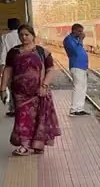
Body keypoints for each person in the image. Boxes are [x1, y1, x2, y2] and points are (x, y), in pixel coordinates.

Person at [3, 24, 59, 155]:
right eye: (21, 35)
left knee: (38, 118)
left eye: (26, 34)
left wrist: (44, 85)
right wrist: (2, 88)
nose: (24, 37)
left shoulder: (42, 52)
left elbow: (50, 70)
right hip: (19, 93)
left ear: (33, 35)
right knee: (22, 118)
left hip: (38, 92)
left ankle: (37, 144)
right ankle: (25, 145)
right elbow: (8, 70)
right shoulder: (13, 52)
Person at [64, 23, 89, 116]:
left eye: (81, 31)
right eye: (79, 31)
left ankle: (79, 108)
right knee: (78, 87)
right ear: (73, 30)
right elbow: (76, 51)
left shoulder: (76, 39)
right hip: (76, 66)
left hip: (82, 66)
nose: (81, 33)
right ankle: (74, 109)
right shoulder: (68, 40)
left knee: (82, 88)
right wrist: (81, 40)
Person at [1, 18, 18, 116]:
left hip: (9, 64)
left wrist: (2, 65)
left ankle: (12, 108)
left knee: (11, 86)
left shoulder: (5, 37)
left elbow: (3, 52)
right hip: (21, 64)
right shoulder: (22, 35)